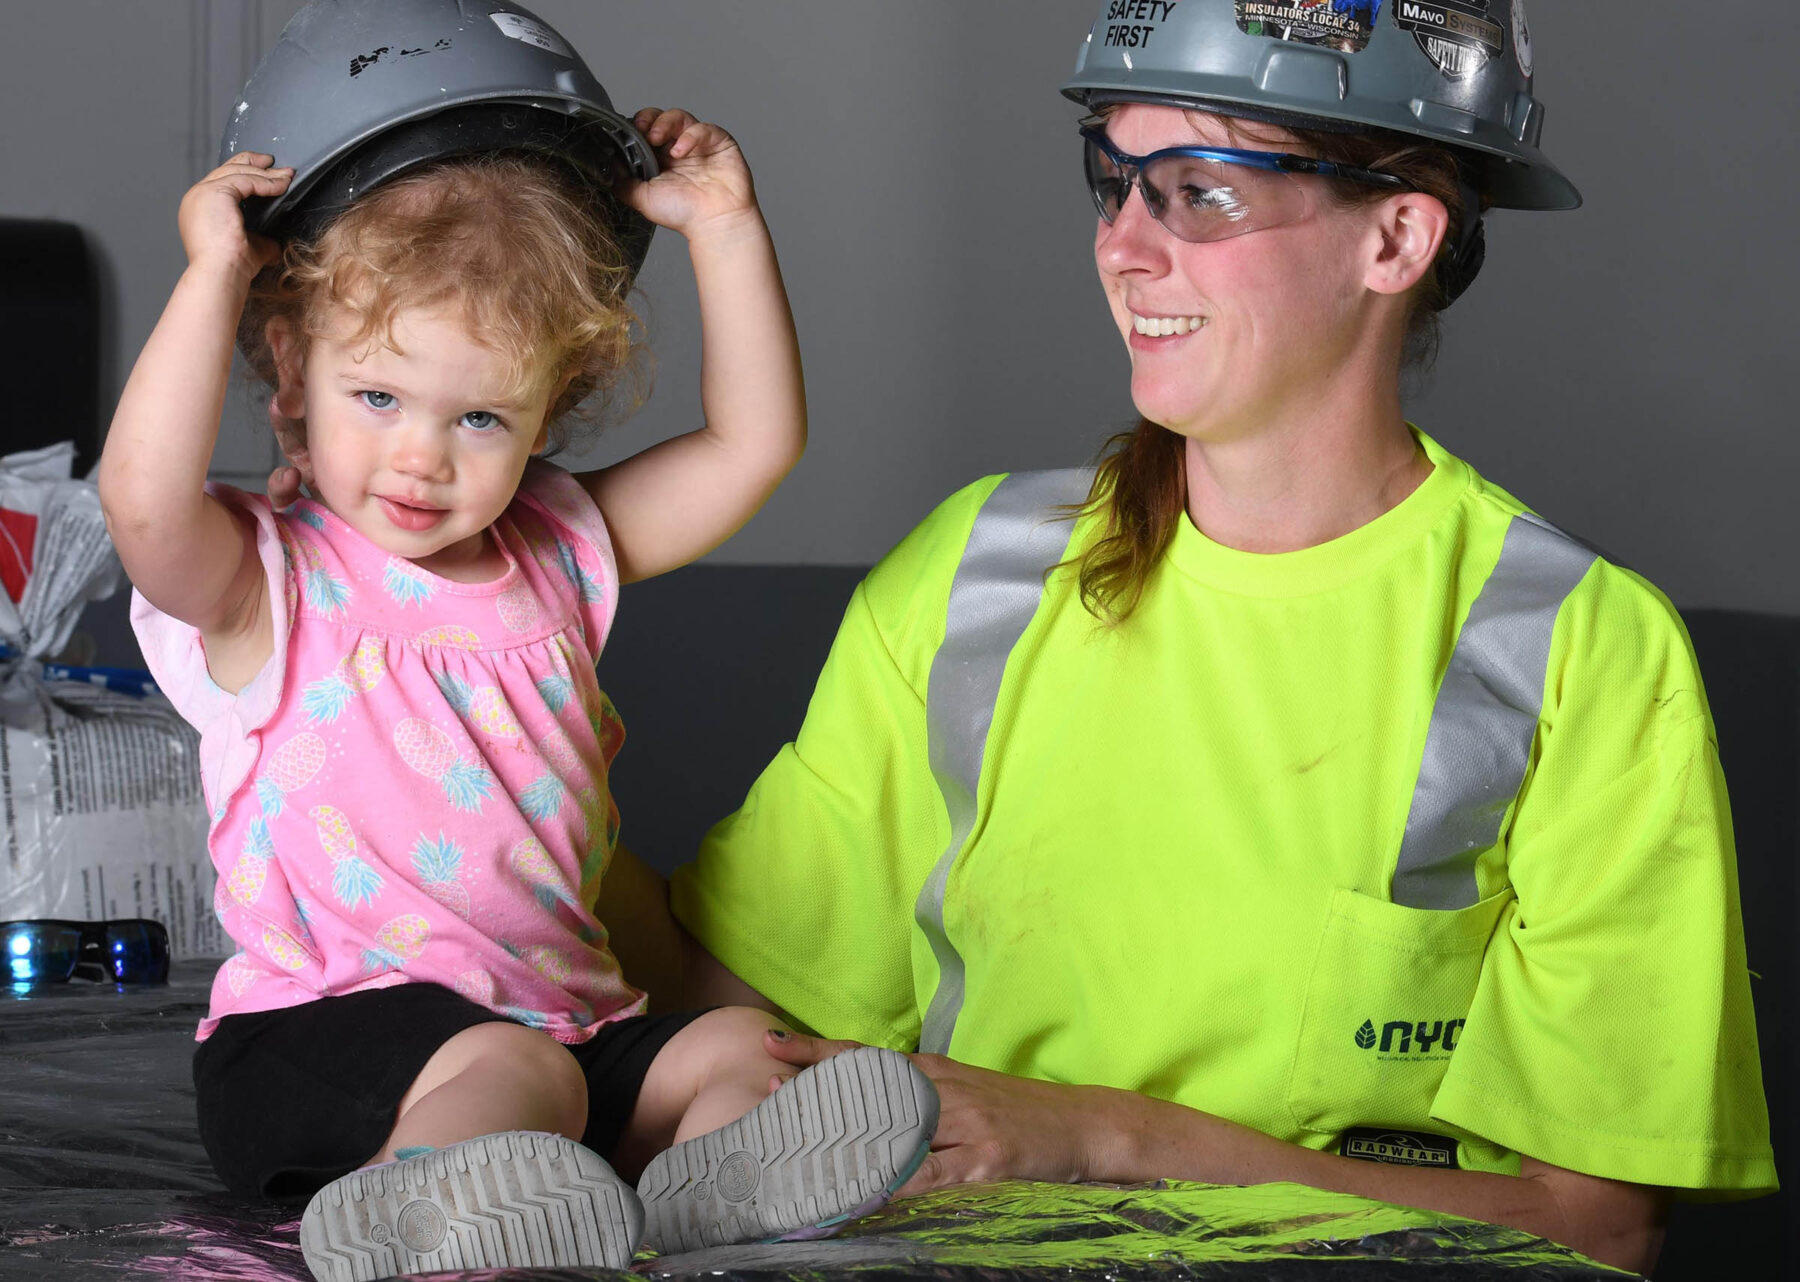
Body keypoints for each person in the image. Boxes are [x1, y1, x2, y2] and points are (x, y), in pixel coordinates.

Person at [664, 2, 1778, 1275]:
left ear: (1398, 236)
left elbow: (1600, 1227)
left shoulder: (1578, 651)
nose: (1123, 250)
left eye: (1199, 192)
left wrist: (1101, 1136)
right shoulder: (975, 572)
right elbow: (730, 1015)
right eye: (1113, 180)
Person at [97, 3, 934, 1279]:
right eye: (377, 396)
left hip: (564, 1027)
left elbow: (753, 444)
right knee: (506, 1068)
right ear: (290, 372)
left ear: (552, 407)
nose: (424, 455)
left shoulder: (558, 549)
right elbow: (142, 503)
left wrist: (725, 231)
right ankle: (419, 1198)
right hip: (324, 1041)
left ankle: (719, 1183)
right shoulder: (271, 581)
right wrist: (212, 274)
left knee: (732, 1049)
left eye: (482, 415)